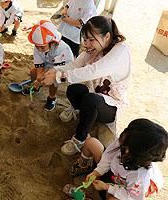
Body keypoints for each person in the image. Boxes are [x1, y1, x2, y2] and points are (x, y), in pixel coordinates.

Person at [42, 16, 132, 155]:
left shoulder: (120, 50)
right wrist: (54, 70)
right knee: (74, 89)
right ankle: (79, 111)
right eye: (85, 39)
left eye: (91, 39)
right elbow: (74, 65)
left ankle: (80, 139)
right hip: (94, 93)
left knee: (91, 100)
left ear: (107, 36)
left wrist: (58, 77)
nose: (87, 44)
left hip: (112, 104)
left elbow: (92, 71)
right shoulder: (95, 49)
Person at [64, 118, 168, 200]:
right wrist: (97, 172)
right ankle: (84, 166)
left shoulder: (140, 177)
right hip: (114, 172)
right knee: (91, 142)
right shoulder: (125, 142)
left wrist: (107, 187)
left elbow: (131, 197)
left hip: (125, 187)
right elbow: (108, 155)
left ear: (129, 150)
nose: (123, 134)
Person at [22, 20, 74, 111]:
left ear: (52, 43)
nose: (39, 50)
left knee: (53, 81)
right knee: (33, 72)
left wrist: (44, 76)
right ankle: (36, 87)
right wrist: (39, 78)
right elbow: (39, 63)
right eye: (37, 47)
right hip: (49, 62)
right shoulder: (38, 47)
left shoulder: (62, 49)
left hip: (62, 66)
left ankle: (51, 97)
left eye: (42, 47)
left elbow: (56, 69)